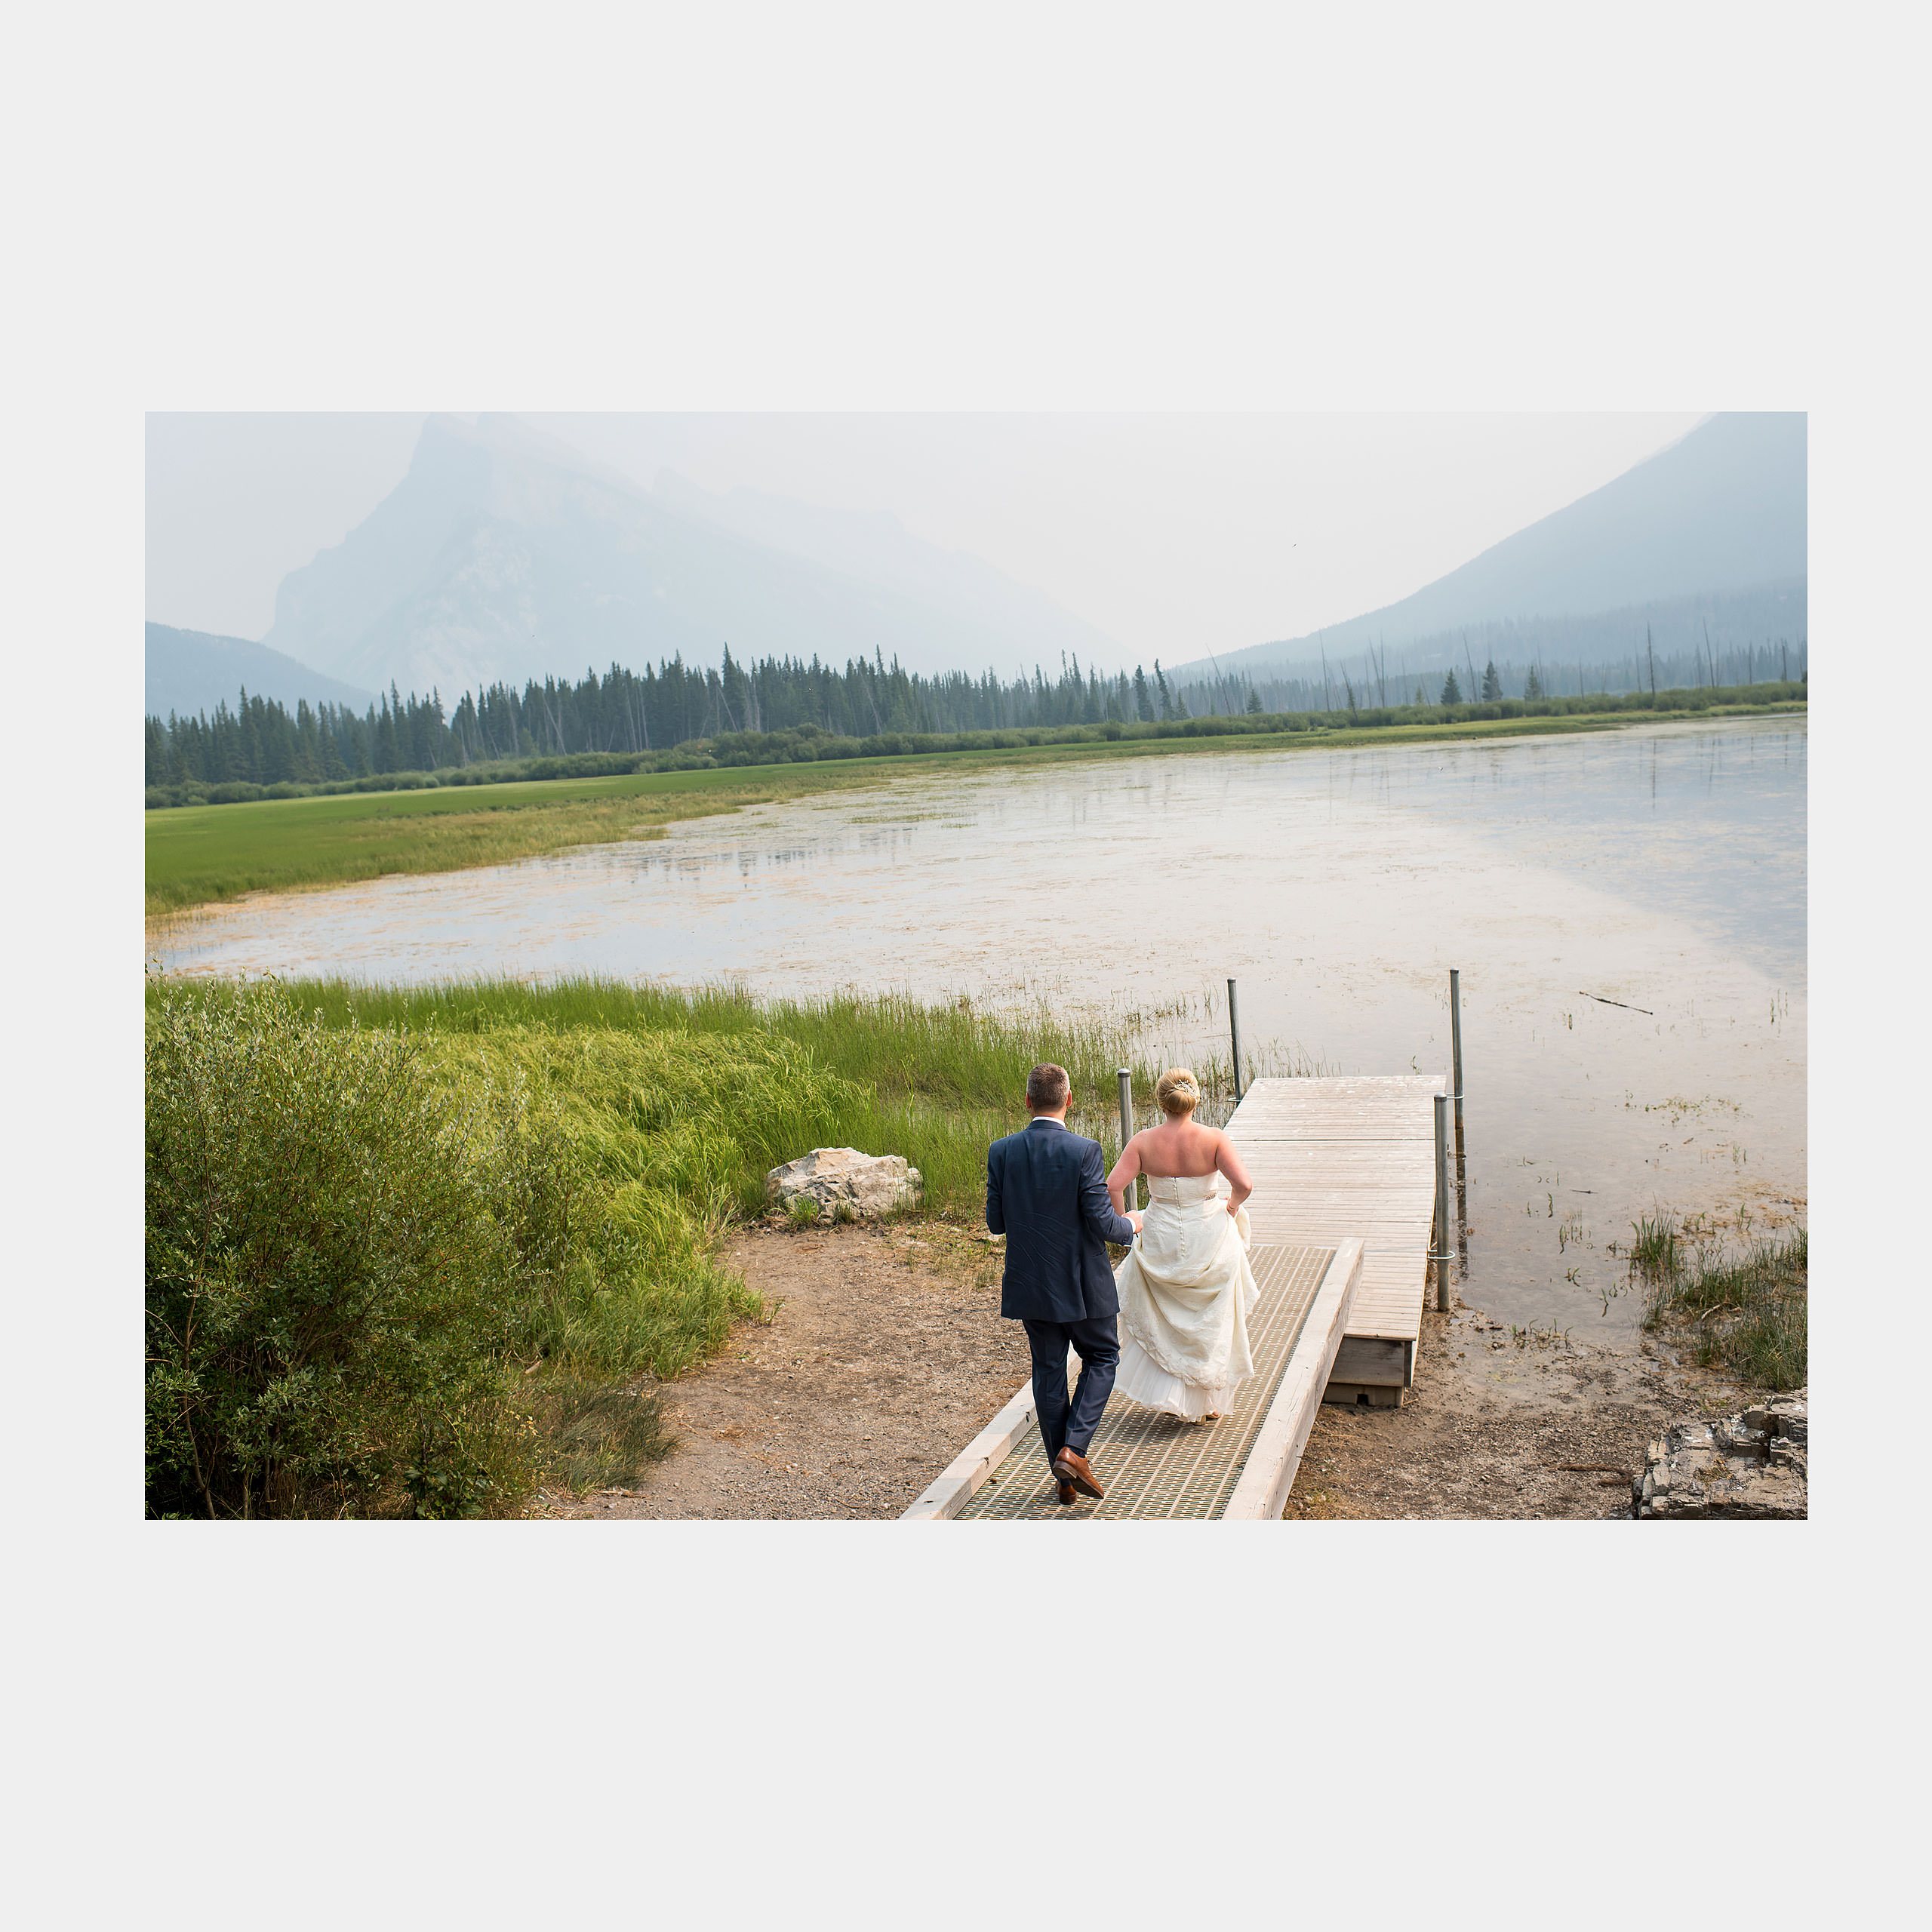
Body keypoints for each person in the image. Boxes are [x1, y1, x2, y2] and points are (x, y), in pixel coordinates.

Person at [986, 1063, 1143, 1506]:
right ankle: (1074, 1451)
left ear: (1028, 1101)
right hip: (1083, 1285)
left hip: (1030, 1283)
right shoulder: (1085, 1151)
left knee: (1049, 1371)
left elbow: (997, 1223)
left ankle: (1064, 1476)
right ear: (1069, 1101)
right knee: (1102, 1356)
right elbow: (1102, 1222)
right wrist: (1132, 1224)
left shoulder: (1002, 1151)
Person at [1106, 1068, 1258, 1423]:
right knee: (1212, 1319)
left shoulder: (1143, 1141)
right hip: (1208, 1232)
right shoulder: (1215, 1139)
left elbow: (1113, 1185)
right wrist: (1231, 1208)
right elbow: (1245, 1185)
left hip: (1161, 1234)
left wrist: (1126, 1222)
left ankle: (1177, 1394)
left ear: (1161, 1101)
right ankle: (1210, 1399)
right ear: (1195, 1099)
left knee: (1167, 1320)